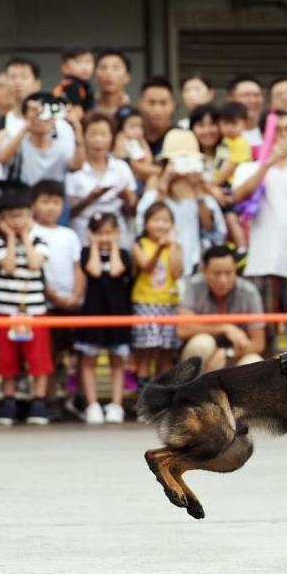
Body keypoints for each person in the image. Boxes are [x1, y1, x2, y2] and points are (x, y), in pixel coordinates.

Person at [231, 110, 287, 337]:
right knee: (262, 337)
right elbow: (239, 195)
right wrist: (268, 163)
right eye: (277, 130)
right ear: (264, 133)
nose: (283, 135)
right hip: (262, 264)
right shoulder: (248, 168)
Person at [0, 188, 52, 426]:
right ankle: (8, 400)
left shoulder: (39, 239)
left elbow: (35, 263)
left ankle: (38, 401)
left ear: (30, 215)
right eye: (11, 216)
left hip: (34, 311)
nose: (16, 221)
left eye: (21, 215)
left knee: (38, 358)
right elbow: (7, 265)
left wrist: (26, 237)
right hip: (6, 311)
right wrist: (9, 237)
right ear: (3, 219)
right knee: (7, 359)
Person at [137, 129, 225, 276]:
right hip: (161, 269)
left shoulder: (202, 195)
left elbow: (212, 229)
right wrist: (165, 182)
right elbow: (143, 223)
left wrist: (197, 187)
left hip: (194, 265)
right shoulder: (156, 191)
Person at [74, 212, 133, 425]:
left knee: (118, 362)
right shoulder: (85, 254)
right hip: (92, 315)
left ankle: (116, 405)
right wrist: (94, 246)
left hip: (118, 315)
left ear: (117, 233)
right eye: (99, 233)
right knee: (88, 361)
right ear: (90, 234)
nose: (105, 237)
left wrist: (115, 245)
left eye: (110, 232)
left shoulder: (123, 255)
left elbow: (117, 271)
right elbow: (94, 270)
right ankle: (92, 405)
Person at [31, 179, 84, 403]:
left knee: (73, 353)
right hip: (44, 304)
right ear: (33, 205)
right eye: (45, 201)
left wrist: (76, 296)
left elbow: (77, 268)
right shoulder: (31, 232)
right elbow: (36, 271)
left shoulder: (69, 234)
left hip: (71, 304)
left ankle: (74, 397)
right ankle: (50, 398)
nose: (51, 207)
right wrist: (52, 295)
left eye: (55, 201)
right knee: (48, 353)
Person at [177, 245, 266, 372]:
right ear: (204, 271)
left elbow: (258, 343)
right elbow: (183, 329)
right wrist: (225, 328)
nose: (223, 280)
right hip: (203, 361)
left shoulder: (249, 292)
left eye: (229, 273)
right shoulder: (194, 286)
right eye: (216, 273)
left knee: (253, 361)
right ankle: (190, 390)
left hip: (234, 357)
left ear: (236, 270)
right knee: (202, 343)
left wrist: (227, 354)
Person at [132, 201, 184, 385]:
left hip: (169, 303)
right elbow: (146, 267)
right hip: (145, 302)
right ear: (146, 223)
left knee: (166, 351)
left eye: (165, 221)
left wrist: (175, 244)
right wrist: (161, 248)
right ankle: (143, 395)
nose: (160, 225)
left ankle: (163, 396)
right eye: (155, 220)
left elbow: (177, 272)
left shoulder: (174, 246)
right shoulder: (139, 244)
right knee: (146, 350)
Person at [67, 112, 137, 247]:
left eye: (103, 134)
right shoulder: (75, 168)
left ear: (112, 137)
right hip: (83, 236)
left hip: (116, 236)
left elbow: (133, 209)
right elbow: (69, 210)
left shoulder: (121, 167)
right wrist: (90, 198)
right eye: (93, 134)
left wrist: (127, 197)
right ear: (83, 136)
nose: (98, 140)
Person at [0, 92, 85, 190]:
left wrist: (77, 128)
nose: (40, 117)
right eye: (34, 111)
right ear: (25, 116)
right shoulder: (18, 144)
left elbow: (77, 166)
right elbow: (3, 159)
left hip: (53, 199)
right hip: (23, 199)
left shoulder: (61, 148)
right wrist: (27, 126)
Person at [113, 106, 155, 183]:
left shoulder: (140, 142)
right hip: (127, 176)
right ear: (120, 128)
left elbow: (149, 160)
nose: (137, 131)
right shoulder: (121, 140)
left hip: (143, 175)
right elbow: (121, 157)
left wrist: (143, 143)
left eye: (140, 126)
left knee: (153, 179)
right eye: (132, 127)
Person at [215, 101, 253, 185]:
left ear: (245, 124)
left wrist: (216, 184)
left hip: (233, 183)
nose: (229, 128)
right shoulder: (223, 140)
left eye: (234, 123)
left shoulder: (241, 143)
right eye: (225, 123)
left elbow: (231, 166)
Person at [139, 77, 176, 158]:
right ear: (140, 104)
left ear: (173, 105)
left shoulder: (180, 137)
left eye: (163, 103)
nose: (157, 110)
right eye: (151, 103)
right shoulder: (131, 136)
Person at [227, 75, 265, 150]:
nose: (253, 100)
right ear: (231, 99)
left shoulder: (272, 131)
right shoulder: (220, 133)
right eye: (246, 95)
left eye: (256, 95)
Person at [53, 46, 95, 112]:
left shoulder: (83, 85)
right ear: (65, 67)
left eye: (88, 61)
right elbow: (76, 111)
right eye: (78, 62)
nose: (85, 67)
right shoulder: (72, 86)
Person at [93, 49, 132, 117]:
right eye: (103, 67)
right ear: (95, 75)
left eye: (115, 68)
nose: (109, 73)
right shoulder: (85, 110)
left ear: (127, 77)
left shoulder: (132, 113)